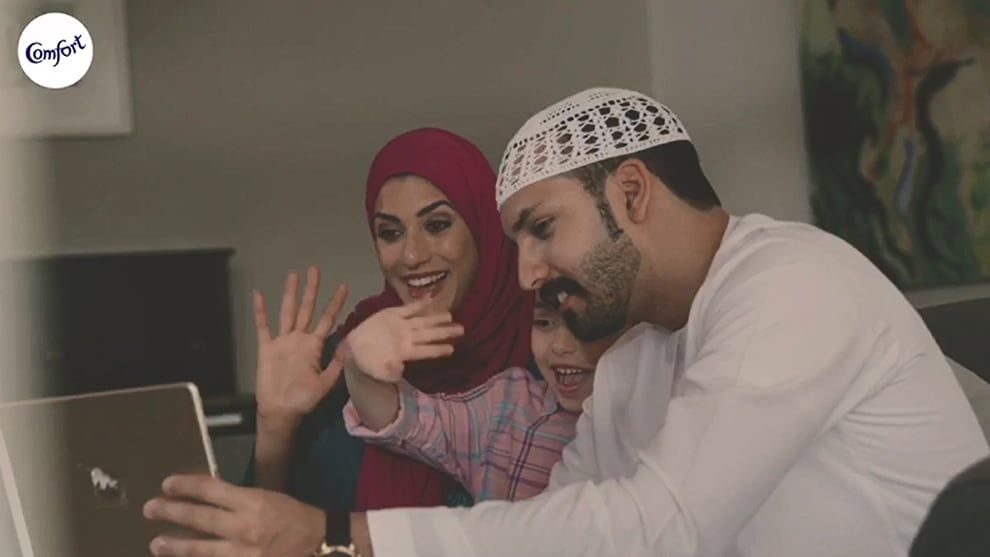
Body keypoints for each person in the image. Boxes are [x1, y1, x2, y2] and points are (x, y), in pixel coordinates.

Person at [144, 87, 989, 557]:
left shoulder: (793, 283)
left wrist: (334, 538)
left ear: (631, 193)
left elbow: (661, 526)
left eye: (541, 229)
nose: (525, 275)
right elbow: (563, 528)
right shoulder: (633, 355)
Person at [249, 127, 535, 512]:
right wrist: (275, 428)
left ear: (483, 225)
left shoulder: (550, 346)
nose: (412, 255)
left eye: (437, 225)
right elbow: (266, 540)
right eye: (390, 232)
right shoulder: (342, 360)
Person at [343, 298, 626, 502]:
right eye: (544, 323)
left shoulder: (662, 415)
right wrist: (359, 366)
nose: (561, 345)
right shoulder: (512, 403)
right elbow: (407, 421)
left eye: (585, 321)